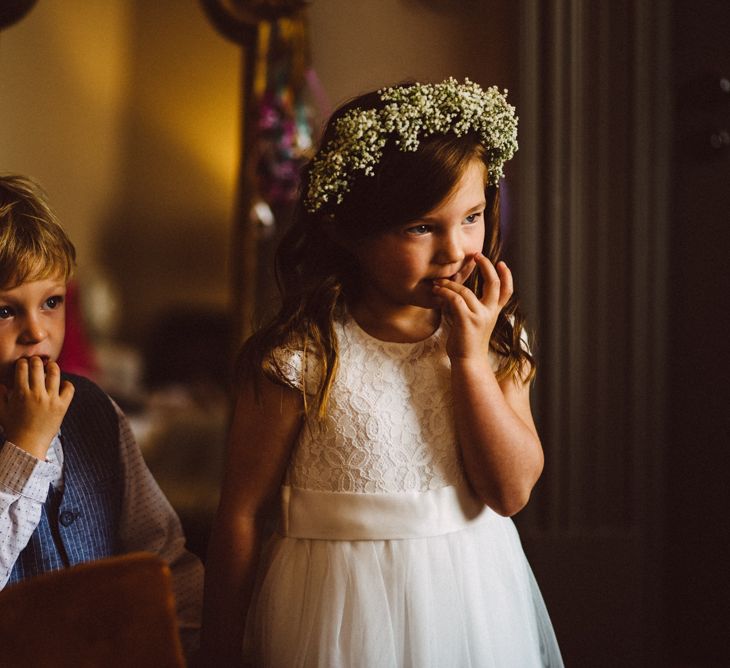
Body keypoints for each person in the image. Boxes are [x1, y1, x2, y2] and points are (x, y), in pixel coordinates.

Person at [202, 78, 563, 667]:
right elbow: (241, 513)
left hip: (469, 599)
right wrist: (219, 650)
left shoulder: (496, 338)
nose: (454, 250)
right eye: (421, 227)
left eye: (471, 217)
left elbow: (511, 491)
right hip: (335, 607)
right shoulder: (301, 355)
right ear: (348, 229)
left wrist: (469, 361)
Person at [0, 175, 204, 658]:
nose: (36, 332)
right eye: (4, 312)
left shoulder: (93, 407)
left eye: (51, 303)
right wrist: (23, 449)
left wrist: (187, 644)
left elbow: (162, 552)